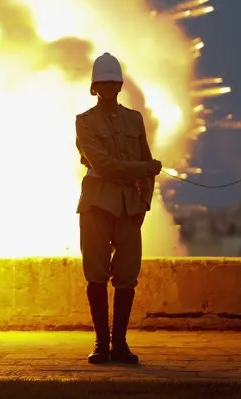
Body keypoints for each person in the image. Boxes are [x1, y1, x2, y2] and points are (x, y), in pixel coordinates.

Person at [75, 52, 162, 365]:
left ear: (120, 85)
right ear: (94, 88)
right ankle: (101, 344)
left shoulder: (134, 119)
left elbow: (147, 165)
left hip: (129, 208)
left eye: (113, 82)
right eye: (103, 83)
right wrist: (145, 168)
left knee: (127, 277)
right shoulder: (84, 122)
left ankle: (120, 345)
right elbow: (105, 164)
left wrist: (145, 204)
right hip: (97, 204)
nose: (109, 87)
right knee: (96, 275)